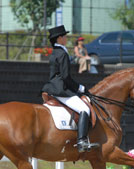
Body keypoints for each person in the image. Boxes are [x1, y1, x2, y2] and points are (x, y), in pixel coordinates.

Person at [41, 25, 99, 153]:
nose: (66, 38)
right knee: (84, 109)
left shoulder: (55, 52)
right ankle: (81, 141)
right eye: (65, 36)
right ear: (59, 38)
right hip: (61, 89)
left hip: (52, 87)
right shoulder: (62, 53)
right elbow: (66, 77)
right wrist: (80, 88)